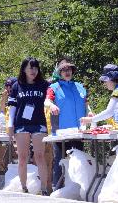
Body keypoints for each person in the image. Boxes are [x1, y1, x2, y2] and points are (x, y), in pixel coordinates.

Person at [7, 57, 52, 194]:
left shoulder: (44, 85)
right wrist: (10, 125)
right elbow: (13, 107)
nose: (33, 71)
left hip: (39, 123)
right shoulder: (16, 86)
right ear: (24, 69)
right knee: (22, 157)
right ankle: (24, 187)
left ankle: (44, 188)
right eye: (30, 68)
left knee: (39, 156)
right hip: (21, 124)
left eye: (35, 68)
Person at [46, 58, 89, 188]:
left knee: (78, 161)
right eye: (63, 70)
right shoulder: (54, 87)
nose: (67, 72)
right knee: (60, 162)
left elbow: (86, 105)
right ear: (59, 73)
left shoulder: (80, 87)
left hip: (78, 132)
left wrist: (90, 114)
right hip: (61, 133)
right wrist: (52, 106)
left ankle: (79, 189)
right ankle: (57, 188)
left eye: (69, 69)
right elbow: (46, 101)